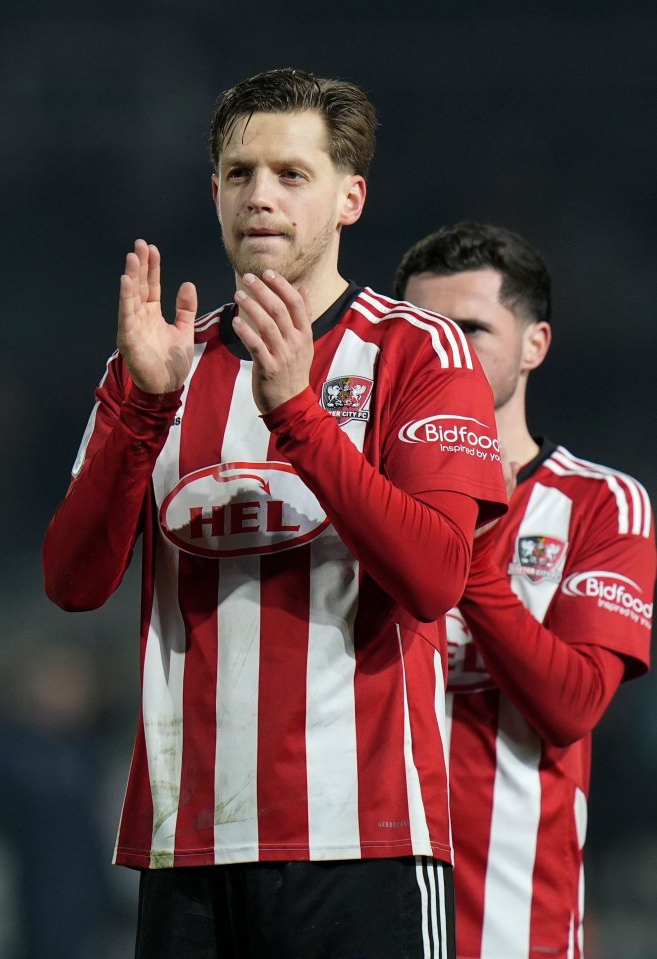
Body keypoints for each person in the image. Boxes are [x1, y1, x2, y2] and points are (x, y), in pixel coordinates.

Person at [43, 70, 507, 958]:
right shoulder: (158, 362)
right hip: (188, 844)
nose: (260, 195)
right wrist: (142, 410)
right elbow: (72, 583)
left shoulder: (418, 349)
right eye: (239, 172)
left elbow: (434, 576)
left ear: (350, 199)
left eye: (292, 174)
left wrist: (298, 413)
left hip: (362, 841)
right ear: (213, 191)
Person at [394, 221, 655, 959]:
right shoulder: (363, 503)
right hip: (361, 911)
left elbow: (570, 704)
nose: (444, 353)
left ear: (535, 344)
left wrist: (463, 550)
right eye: (424, 331)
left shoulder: (602, 506)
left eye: (471, 329)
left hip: (514, 929)